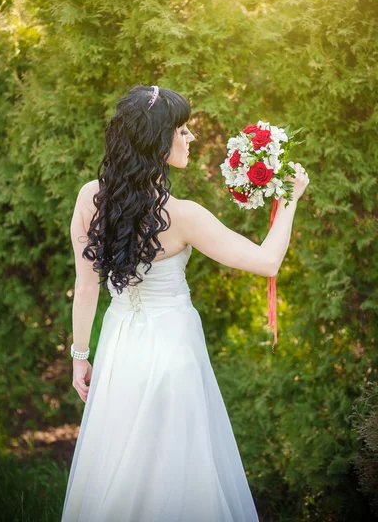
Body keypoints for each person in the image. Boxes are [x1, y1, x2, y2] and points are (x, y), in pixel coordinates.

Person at [61, 85, 309, 521]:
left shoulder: (89, 198)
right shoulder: (185, 216)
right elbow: (267, 262)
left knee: (120, 465)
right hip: (173, 353)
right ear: (159, 140)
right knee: (177, 469)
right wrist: (289, 200)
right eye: (182, 129)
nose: (191, 137)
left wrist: (80, 356)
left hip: (120, 349)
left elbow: (87, 288)